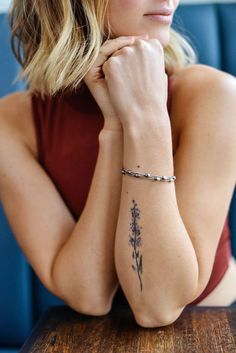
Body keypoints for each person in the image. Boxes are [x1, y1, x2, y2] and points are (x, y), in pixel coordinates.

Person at [0, 0, 236, 328]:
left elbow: (158, 304)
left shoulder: (215, 97)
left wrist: (145, 115)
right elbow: (90, 295)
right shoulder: (11, 126)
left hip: (214, 332)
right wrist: (113, 127)